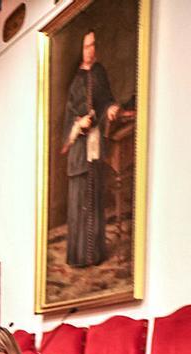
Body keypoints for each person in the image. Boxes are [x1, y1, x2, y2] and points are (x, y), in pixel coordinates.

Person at [62, 29, 119, 268]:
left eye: (93, 45)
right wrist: (78, 124)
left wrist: (111, 108)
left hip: (94, 145)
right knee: (79, 201)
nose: (90, 50)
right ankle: (78, 256)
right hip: (79, 149)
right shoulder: (76, 80)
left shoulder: (99, 72)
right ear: (80, 50)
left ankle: (94, 253)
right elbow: (69, 115)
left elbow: (106, 100)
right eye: (86, 46)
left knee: (94, 197)